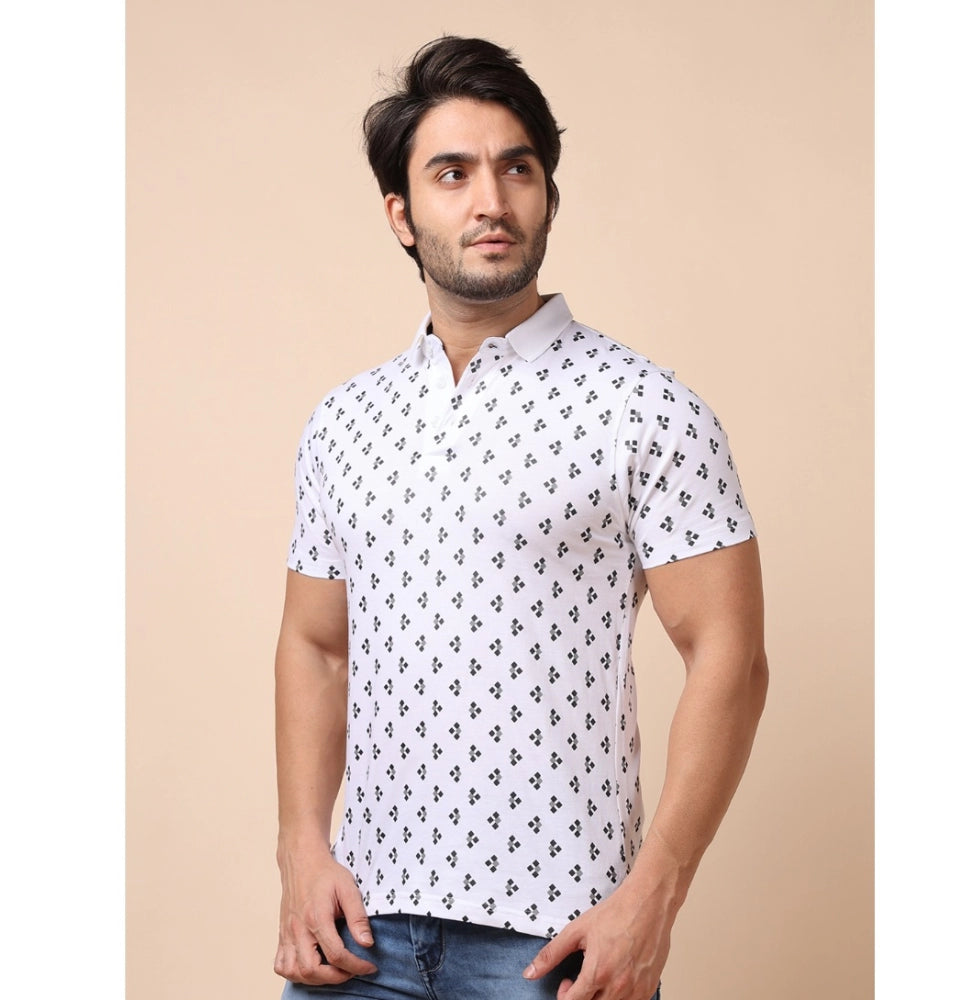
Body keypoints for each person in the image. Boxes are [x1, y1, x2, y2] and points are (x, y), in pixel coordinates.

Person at [273, 35, 768, 1000]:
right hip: (358, 934)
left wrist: (655, 897)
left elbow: (731, 657)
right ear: (401, 213)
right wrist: (299, 847)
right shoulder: (345, 422)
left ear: (547, 195)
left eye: (517, 169)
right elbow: (317, 646)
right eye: (452, 173)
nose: (491, 201)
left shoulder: (646, 408)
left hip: (553, 944)